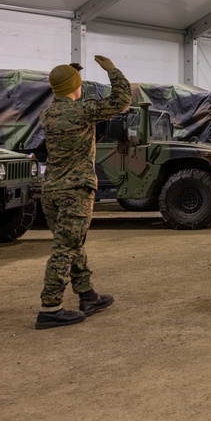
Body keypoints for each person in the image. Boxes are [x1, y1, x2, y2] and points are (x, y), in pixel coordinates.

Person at [35, 55, 131, 330]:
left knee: (72, 244)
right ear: (75, 86)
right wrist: (112, 70)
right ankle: (50, 308)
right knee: (65, 248)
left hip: (52, 189)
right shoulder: (81, 111)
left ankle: (87, 295)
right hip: (75, 191)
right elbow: (121, 101)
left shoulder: (47, 112)